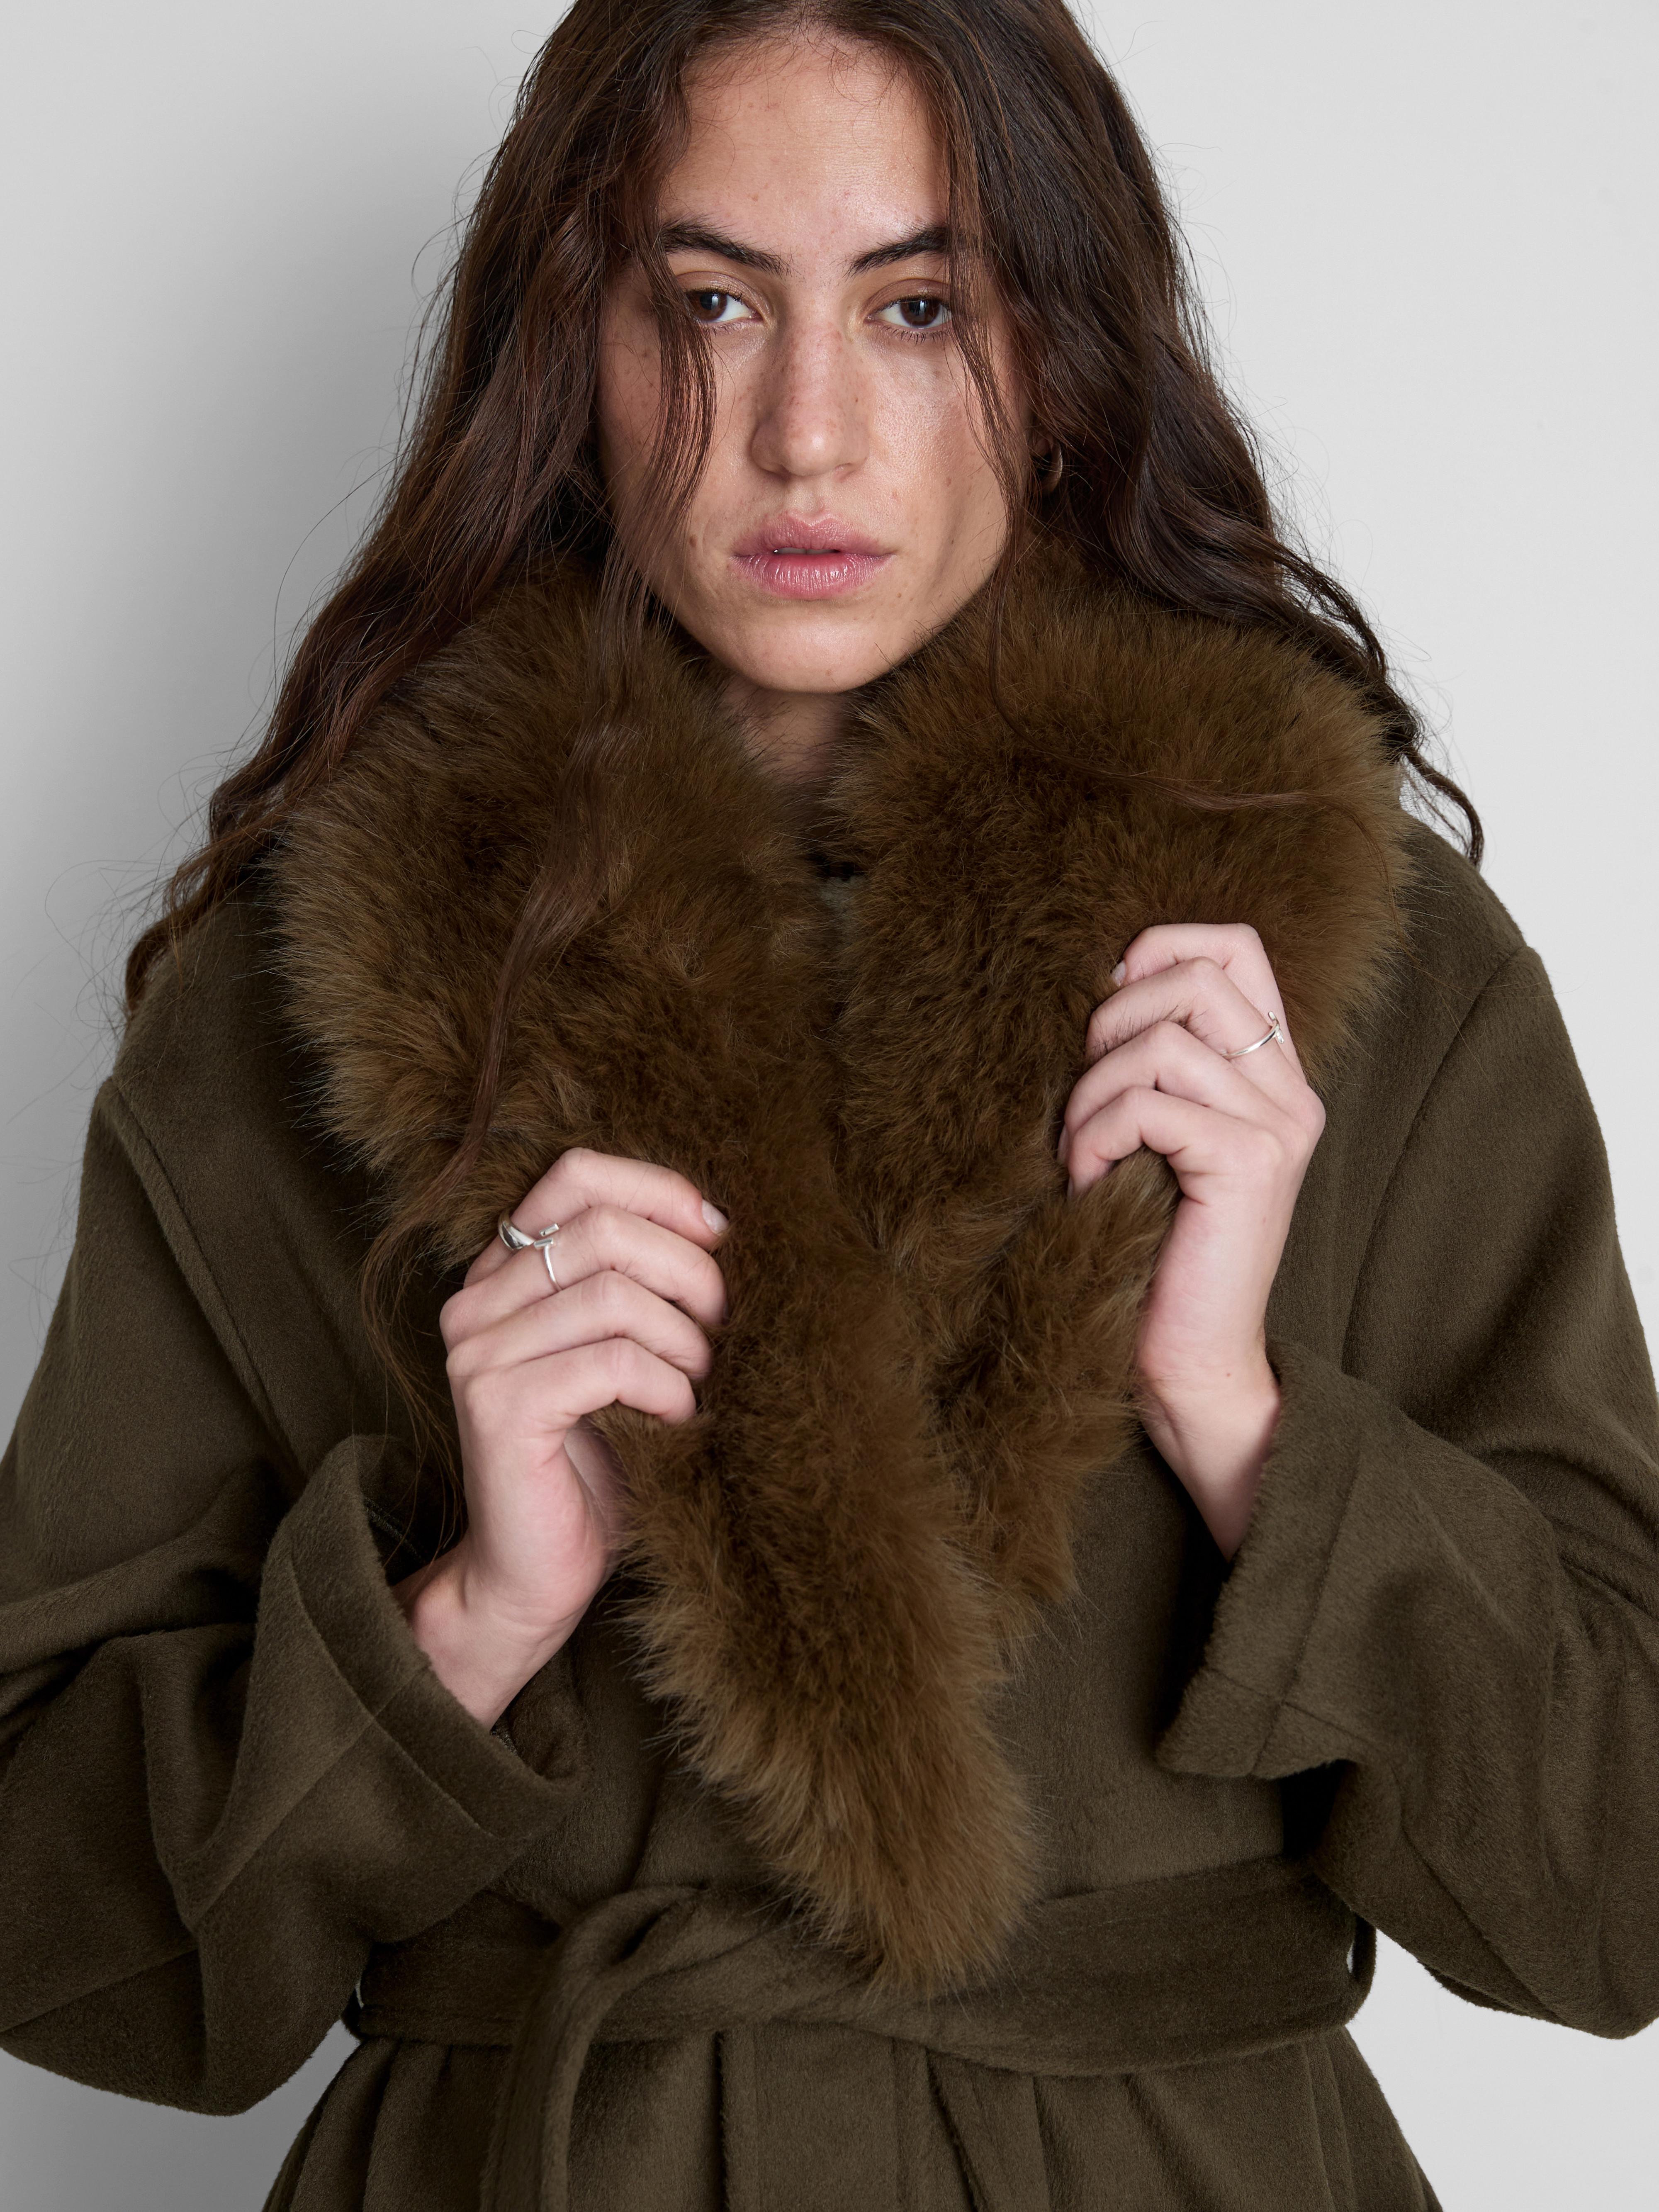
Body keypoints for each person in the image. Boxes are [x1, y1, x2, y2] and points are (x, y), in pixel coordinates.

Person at [2, 1, 1656, 2206]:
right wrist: (465, 1614)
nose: (804, 433)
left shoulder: (1354, 972)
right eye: (708, 303)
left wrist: (1252, 1429)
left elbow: (1614, 1895)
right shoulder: (304, 996)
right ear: (571, 353)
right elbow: (62, 1957)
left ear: (1063, 353)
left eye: (918, 307)